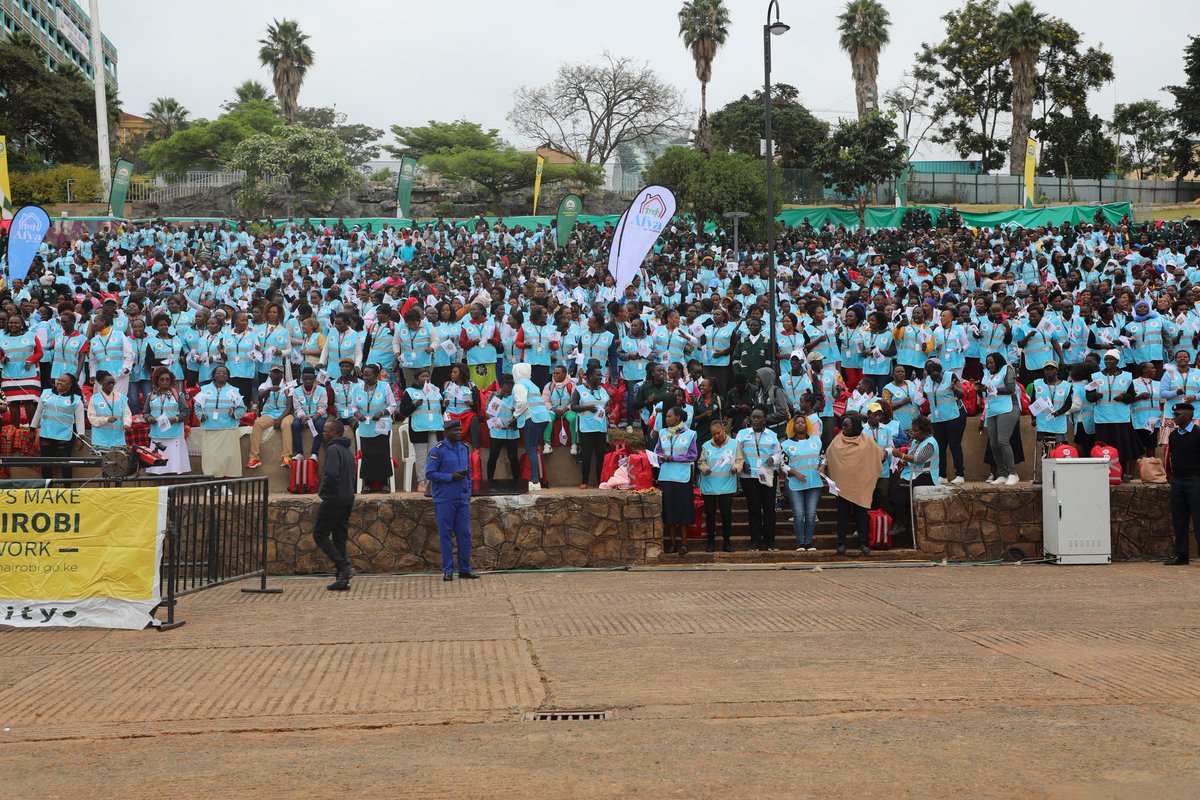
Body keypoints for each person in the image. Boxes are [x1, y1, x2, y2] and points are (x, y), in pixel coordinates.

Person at [823, 415, 884, 556]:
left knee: (861, 516)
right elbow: (829, 456)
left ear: (855, 427)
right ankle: (841, 543)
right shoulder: (836, 440)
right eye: (842, 425)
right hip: (842, 486)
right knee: (842, 516)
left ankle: (863, 543)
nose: (843, 427)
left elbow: (877, 456)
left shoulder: (867, 440)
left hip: (861, 486)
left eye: (846, 425)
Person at [426, 418, 477, 580]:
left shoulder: (463, 448)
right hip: (445, 498)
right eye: (455, 431)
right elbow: (430, 473)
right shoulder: (437, 450)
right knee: (446, 535)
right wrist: (450, 477)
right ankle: (448, 570)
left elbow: (468, 472)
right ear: (446, 433)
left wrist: (468, 490)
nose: (459, 433)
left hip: (462, 498)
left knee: (464, 534)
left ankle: (464, 569)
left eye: (460, 430)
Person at [312, 419, 356, 591]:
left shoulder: (332, 449)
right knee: (339, 537)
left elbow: (330, 474)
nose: (324, 433)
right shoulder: (347, 450)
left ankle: (343, 566)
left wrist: (324, 492)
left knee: (320, 534)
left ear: (336, 433)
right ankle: (342, 579)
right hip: (347, 497)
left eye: (327, 431)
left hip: (334, 498)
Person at [1086, 349, 1138, 481]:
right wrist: (1095, 395)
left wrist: (1125, 397)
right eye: (1106, 359)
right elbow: (1088, 395)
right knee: (1103, 448)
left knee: (1122, 448)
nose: (1108, 361)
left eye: (1111, 359)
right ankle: (1102, 475)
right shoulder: (1095, 376)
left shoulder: (1127, 376)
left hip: (1121, 418)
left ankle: (1122, 474)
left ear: (1117, 361)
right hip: (1102, 418)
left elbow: (1132, 396)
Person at [735, 407, 782, 551]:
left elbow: (779, 453)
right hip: (750, 476)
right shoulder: (742, 434)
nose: (756, 420)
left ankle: (770, 540)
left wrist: (773, 459)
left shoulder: (772, 435)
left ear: (764, 419)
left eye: (759, 417)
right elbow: (736, 452)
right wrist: (742, 463)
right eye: (753, 417)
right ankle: (755, 540)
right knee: (754, 508)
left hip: (767, 475)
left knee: (769, 508)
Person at [656, 405, 698, 555]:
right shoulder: (662, 433)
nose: (666, 419)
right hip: (666, 476)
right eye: (666, 416)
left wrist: (674, 458)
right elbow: (658, 451)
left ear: (678, 418)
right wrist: (660, 458)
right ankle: (673, 543)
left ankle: (684, 543)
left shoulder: (691, 434)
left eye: (669, 416)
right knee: (669, 511)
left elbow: (693, 455)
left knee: (683, 511)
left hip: (682, 477)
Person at [890, 415, 939, 541]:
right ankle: (900, 520)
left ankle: (900, 524)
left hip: (926, 476)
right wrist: (905, 460)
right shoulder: (917, 442)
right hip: (912, 473)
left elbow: (919, 459)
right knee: (894, 487)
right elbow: (911, 455)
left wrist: (901, 455)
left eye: (916, 431)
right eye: (912, 430)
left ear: (924, 431)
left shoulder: (930, 443)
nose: (913, 433)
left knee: (898, 489)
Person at [780, 409, 822, 551]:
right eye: (797, 423)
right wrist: (794, 472)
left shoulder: (816, 441)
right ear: (792, 426)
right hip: (795, 483)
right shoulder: (786, 444)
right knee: (798, 513)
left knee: (811, 513)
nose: (800, 425)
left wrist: (823, 466)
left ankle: (809, 542)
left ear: (807, 425)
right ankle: (800, 543)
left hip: (814, 482)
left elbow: (823, 457)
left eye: (802, 422)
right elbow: (782, 464)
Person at [697, 418, 741, 552]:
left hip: (727, 486)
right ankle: (711, 542)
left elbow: (740, 460)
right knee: (710, 516)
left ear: (724, 430)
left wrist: (735, 468)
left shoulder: (734, 444)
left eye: (718, 433)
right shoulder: (706, 446)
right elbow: (701, 462)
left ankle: (727, 542)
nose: (716, 436)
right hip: (709, 487)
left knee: (726, 515)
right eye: (713, 434)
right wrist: (705, 469)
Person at [31, 373, 85, 480]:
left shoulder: (76, 400)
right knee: (46, 463)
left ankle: (67, 488)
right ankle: (46, 488)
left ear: (70, 384)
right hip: (46, 433)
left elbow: (79, 419)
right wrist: (32, 428)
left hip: (64, 435)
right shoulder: (46, 393)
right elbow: (38, 411)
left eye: (63, 381)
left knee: (65, 463)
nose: (59, 382)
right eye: (59, 379)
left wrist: (80, 437)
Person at [352, 363, 397, 492]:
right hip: (365, 426)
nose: (365, 378)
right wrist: (357, 414)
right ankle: (367, 483)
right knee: (367, 455)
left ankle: (384, 483)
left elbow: (393, 405)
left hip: (381, 425)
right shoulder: (357, 388)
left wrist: (382, 413)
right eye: (364, 375)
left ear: (377, 375)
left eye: (368, 375)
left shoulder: (385, 386)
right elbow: (353, 406)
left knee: (382, 454)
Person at [196, 365, 246, 479]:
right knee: (211, 458)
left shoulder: (234, 390)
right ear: (214, 375)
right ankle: (211, 486)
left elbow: (242, 409)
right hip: (210, 429)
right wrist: (201, 416)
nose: (221, 374)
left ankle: (224, 485)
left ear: (228, 376)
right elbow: (197, 407)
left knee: (228, 459)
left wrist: (234, 415)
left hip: (228, 429)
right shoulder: (204, 390)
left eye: (224, 373)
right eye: (219, 372)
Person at [397, 367, 441, 493]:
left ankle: (432, 481)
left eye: (427, 376)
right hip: (419, 428)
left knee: (433, 455)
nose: (426, 379)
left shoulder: (435, 390)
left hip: (435, 427)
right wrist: (414, 405)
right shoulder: (410, 392)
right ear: (417, 378)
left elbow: (440, 408)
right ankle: (421, 482)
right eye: (423, 376)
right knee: (421, 456)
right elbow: (403, 411)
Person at [923, 359, 966, 484]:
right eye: (930, 372)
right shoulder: (928, 380)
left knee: (954, 444)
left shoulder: (950, 376)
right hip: (938, 418)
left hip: (954, 416)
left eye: (935, 371)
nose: (933, 374)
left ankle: (960, 475)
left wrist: (954, 389)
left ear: (940, 369)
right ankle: (942, 475)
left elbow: (962, 394)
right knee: (940, 447)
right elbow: (928, 395)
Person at [981, 351, 1021, 485]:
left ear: (998, 361)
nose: (989, 365)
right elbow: (984, 391)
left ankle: (1013, 473)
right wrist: (978, 388)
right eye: (987, 363)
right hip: (992, 409)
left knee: (1003, 441)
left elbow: (1011, 388)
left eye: (991, 362)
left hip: (1008, 407)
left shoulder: (1007, 369)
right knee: (994, 444)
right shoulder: (986, 373)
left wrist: (994, 390)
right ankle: (1002, 474)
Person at [143, 367, 191, 475]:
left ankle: (173, 490)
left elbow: (186, 412)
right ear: (157, 381)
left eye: (167, 379)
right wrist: (149, 418)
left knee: (174, 467)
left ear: (171, 381)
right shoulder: (151, 396)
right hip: (157, 435)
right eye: (162, 379)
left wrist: (176, 418)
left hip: (174, 435)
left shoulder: (177, 395)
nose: (165, 382)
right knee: (158, 469)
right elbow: (145, 412)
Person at [571, 366, 610, 489]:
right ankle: (585, 481)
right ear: (590, 376)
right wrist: (586, 408)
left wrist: (607, 409)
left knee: (600, 455)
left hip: (600, 428)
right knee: (586, 455)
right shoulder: (579, 389)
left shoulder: (603, 390)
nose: (600, 378)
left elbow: (607, 405)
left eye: (601, 375)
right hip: (586, 428)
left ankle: (601, 481)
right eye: (598, 375)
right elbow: (573, 407)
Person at [247, 366, 294, 469]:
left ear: (282, 374)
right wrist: (270, 389)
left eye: (278, 373)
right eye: (274, 372)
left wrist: (280, 420)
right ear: (270, 374)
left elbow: (290, 406)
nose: (276, 375)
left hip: (285, 414)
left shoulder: (288, 386)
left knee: (286, 424)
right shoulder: (264, 385)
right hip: (269, 414)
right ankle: (254, 457)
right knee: (258, 423)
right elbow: (260, 395)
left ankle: (287, 457)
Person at [512, 363, 550, 490]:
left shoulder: (519, 385)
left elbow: (521, 402)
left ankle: (535, 481)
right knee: (534, 448)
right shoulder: (532, 384)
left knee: (531, 449)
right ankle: (536, 479)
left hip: (532, 417)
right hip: (543, 417)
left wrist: (515, 415)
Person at [288, 366, 328, 462]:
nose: (308, 381)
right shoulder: (296, 391)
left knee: (319, 425)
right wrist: (303, 418)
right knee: (295, 424)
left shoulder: (322, 390)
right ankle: (299, 453)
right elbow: (297, 408)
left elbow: (323, 407)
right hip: (303, 417)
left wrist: (313, 419)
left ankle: (314, 453)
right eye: (305, 379)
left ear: (315, 378)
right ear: (302, 378)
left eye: (310, 379)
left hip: (318, 417)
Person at [87, 371, 131, 452]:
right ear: (101, 382)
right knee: (102, 463)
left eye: (113, 383)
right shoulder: (94, 399)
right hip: (100, 440)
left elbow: (127, 414)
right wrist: (106, 420)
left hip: (118, 440)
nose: (111, 385)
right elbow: (91, 418)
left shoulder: (121, 398)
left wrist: (127, 424)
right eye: (109, 383)